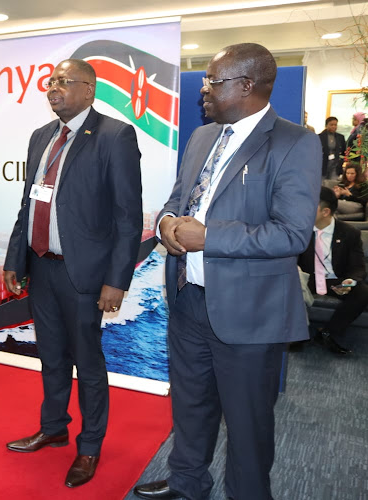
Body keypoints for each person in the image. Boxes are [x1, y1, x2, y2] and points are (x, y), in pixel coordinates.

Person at [134, 43, 321, 500]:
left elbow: (292, 234)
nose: (204, 91)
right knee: (190, 407)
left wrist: (209, 236)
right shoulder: (202, 137)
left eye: (213, 81)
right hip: (188, 301)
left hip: (249, 314)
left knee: (247, 421)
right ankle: (187, 484)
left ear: (246, 85)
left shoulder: (295, 142)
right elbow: (177, 202)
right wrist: (166, 225)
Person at [3, 58, 142, 488]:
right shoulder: (41, 137)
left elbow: (127, 215)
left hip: (83, 275)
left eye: (64, 82)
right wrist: (14, 258)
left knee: (88, 362)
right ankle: (54, 426)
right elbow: (29, 204)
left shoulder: (114, 136)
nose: (53, 88)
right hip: (41, 267)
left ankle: (89, 446)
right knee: (51, 356)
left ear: (89, 90)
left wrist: (117, 280)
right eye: (50, 81)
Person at [298, 187, 368, 355]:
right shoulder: (300, 230)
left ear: (325, 211)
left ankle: (327, 333)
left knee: (362, 292)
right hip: (307, 279)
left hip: (334, 281)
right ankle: (297, 334)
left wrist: (349, 282)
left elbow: (358, 266)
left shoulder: (349, 233)